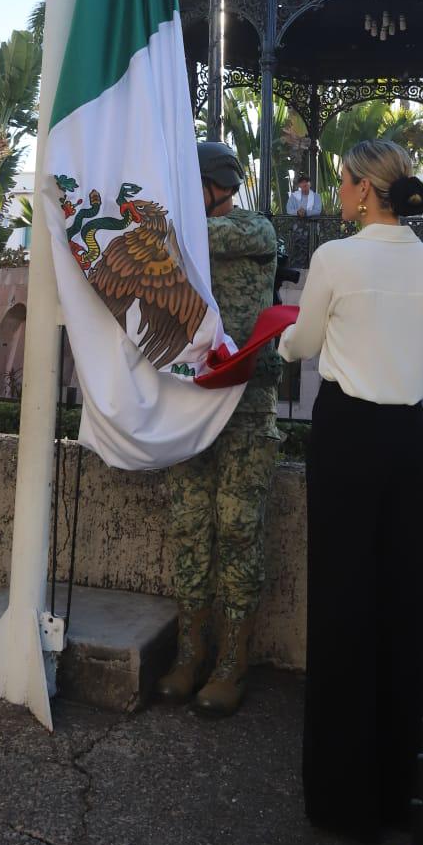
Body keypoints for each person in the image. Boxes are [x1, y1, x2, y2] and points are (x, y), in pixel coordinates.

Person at [278, 139, 423, 841]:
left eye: (340, 183)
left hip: (347, 436)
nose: (337, 192)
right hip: (408, 438)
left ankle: (341, 795)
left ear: (359, 189)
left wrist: (282, 338)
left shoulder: (335, 259)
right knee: (399, 599)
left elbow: (307, 342)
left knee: (343, 601)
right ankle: (394, 789)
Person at [155, 140, 281, 718]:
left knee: (235, 530)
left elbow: (227, 239)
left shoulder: (253, 231)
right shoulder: (180, 234)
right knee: (190, 529)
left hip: (245, 410)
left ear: (212, 187)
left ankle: (232, 662)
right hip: (189, 406)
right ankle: (191, 652)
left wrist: (166, 228)